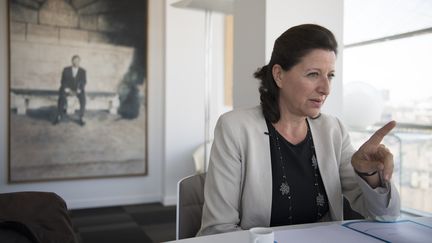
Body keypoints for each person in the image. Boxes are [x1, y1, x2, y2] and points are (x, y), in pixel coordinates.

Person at [197, 24, 400, 236]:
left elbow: (385, 216)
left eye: (330, 75)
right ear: (279, 75)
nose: (326, 88)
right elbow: (218, 230)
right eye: (313, 74)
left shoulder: (333, 131)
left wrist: (370, 175)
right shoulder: (236, 128)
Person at [53, 55, 87, 126]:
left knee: (83, 98)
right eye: (74, 60)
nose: (76, 62)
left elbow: (84, 82)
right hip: (67, 89)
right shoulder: (66, 70)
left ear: (79, 61)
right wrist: (67, 89)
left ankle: (81, 117)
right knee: (61, 97)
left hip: (77, 90)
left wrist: (79, 89)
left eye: (77, 61)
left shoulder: (83, 71)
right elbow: (63, 81)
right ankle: (59, 116)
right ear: (72, 61)